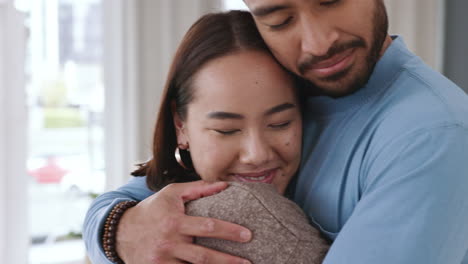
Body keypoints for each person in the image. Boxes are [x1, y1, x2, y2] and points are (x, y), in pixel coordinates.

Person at [85, 0, 468, 263]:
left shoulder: (431, 134)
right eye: (279, 20)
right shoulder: (292, 82)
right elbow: (139, 195)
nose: (319, 43)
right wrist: (117, 229)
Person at [85, 10, 329, 264]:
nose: (256, 154)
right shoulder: (169, 189)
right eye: (226, 130)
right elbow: (110, 204)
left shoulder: (331, 170)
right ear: (181, 125)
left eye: (280, 124)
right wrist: (117, 229)